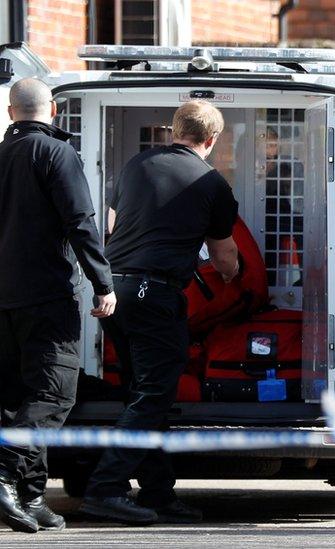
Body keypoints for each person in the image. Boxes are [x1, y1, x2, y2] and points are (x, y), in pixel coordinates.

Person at [79, 100, 240, 525]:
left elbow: (113, 225)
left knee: (143, 394)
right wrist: (233, 273)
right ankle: (105, 488)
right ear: (211, 140)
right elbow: (225, 258)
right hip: (157, 294)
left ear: (173, 131)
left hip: (114, 292)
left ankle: (158, 493)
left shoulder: (136, 165)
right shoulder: (211, 183)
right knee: (153, 396)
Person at [0, 78, 117, 533]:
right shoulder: (56, 154)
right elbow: (80, 221)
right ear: (52, 110)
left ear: (11, 113)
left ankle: (30, 499)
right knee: (53, 394)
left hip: (4, 300)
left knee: (16, 399)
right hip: (46, 296)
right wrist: (102, 282)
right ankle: (7, 474)